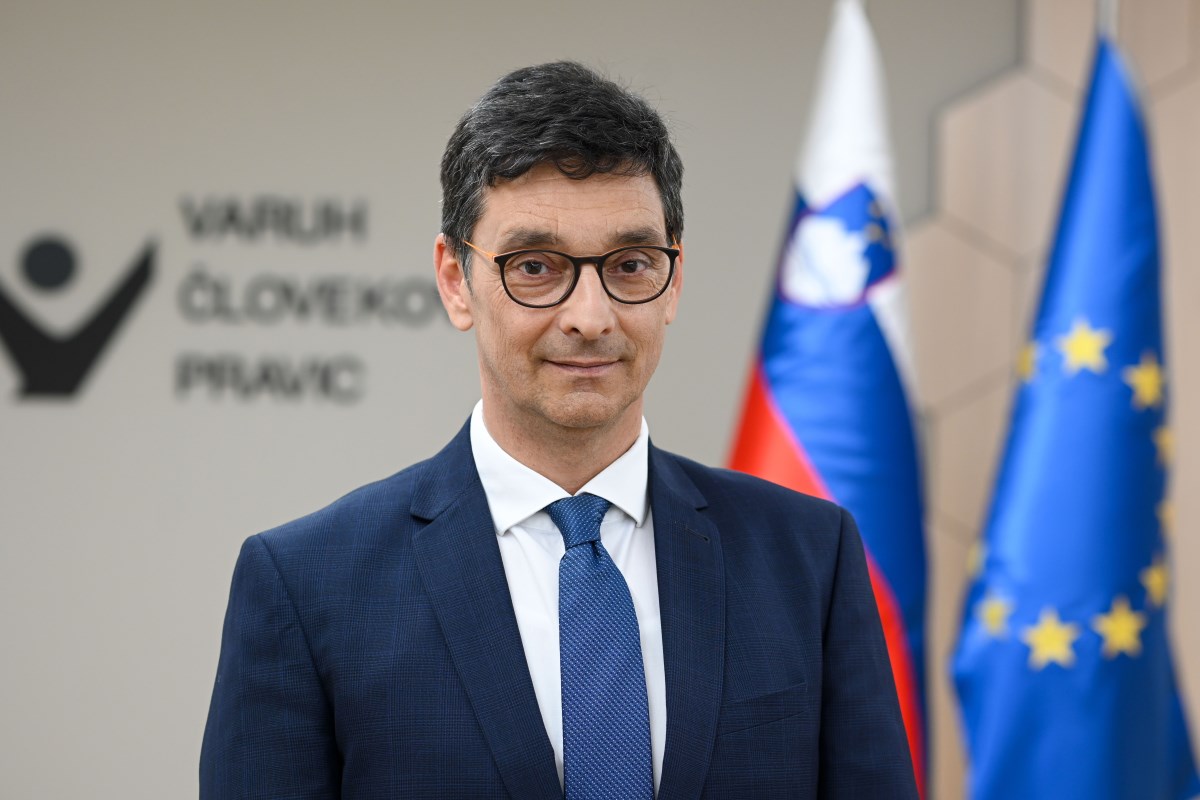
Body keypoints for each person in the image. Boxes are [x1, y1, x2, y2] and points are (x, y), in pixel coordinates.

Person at [200, 61, 917, 799]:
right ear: (455, 281)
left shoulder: (808, 559)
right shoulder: (308, 586)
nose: (591, 316)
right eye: (536, 267)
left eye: (630, 264)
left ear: (673, 281)